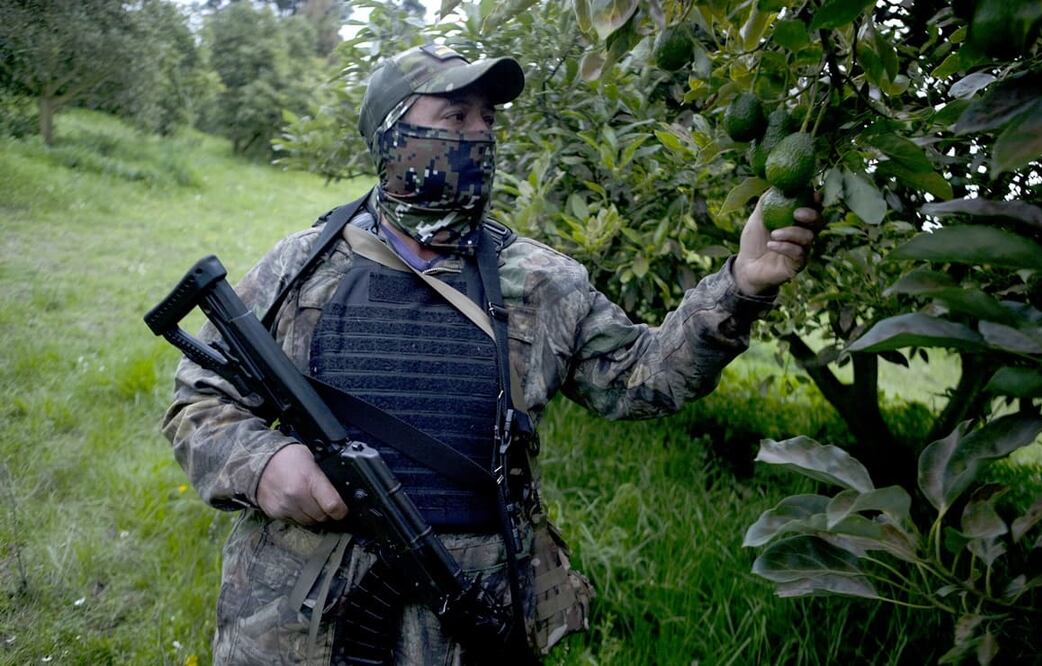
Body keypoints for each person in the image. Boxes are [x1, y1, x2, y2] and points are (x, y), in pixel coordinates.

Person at [162, 43, 823, 665]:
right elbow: (200, 400)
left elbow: (641, 380)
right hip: (301, 616)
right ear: (391, 134)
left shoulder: (540, 281)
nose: (477, 132)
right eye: (455, 114)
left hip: (470, 615)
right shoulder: (299, 268)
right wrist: (263, 462)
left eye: (487, 117)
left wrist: (740, 285)